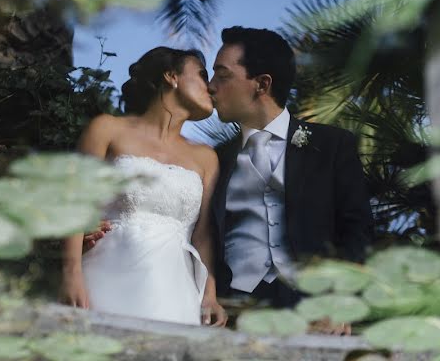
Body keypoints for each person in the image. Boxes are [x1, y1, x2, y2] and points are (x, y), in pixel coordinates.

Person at [208, 27, 373, 333]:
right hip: (233, 310)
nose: (211, 86)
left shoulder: (333, 145)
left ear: (262, 84)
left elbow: (357, 230)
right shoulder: (213, 159)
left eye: (222, 75)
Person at [59, 46, 227, 327]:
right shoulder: (106, 129)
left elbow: (203, 235)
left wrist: (209, 294)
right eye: (201, 74)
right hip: (106, 274)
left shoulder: (206, 157)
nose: (210, 86)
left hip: (175, 290)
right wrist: (71, 272)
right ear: (171, 76)